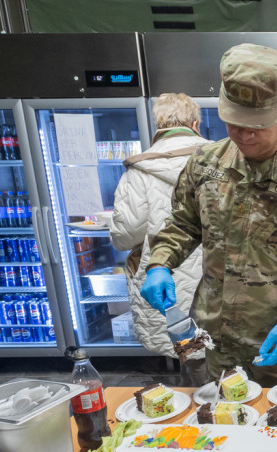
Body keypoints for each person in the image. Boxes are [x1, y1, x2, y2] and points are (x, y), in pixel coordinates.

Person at [140, 43, 277, 384]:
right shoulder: (204, 164)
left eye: (257, 124)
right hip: (216, 344)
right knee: (221, 433)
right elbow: (183, 224)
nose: (245, 134)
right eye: (235, 122)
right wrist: (159, 264)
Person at [109, 93, 213, 385]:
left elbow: (124, 235)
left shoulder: (138, 170)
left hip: (163, 278)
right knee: (225, 360)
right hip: (220, 278)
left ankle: (196, 409)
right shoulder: (221, 159)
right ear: (195, 123)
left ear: (158, 124)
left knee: (189, 351)